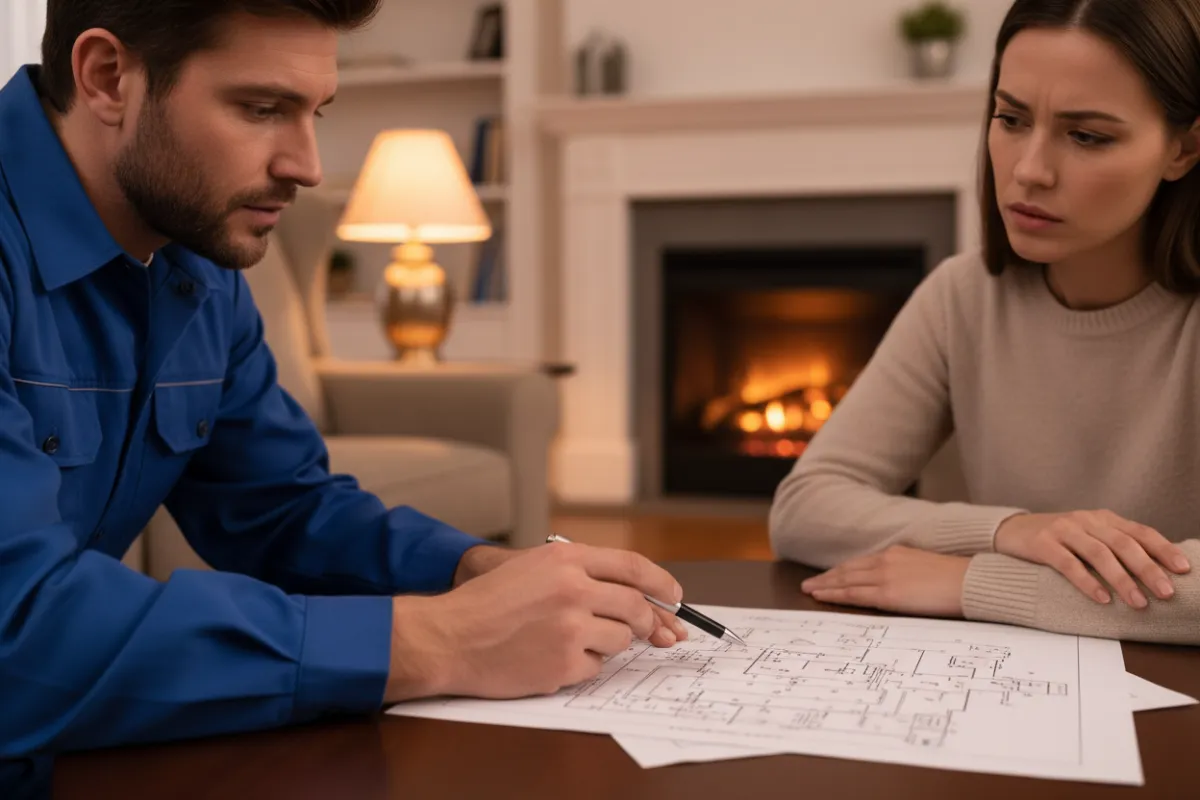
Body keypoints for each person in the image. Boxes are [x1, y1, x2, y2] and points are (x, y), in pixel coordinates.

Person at [0, 0, 689, 760]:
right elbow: (15, 627)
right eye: (262, 108)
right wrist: (435, 641)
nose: (308, 165)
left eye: (316, 113)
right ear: (107, 76)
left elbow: (281, 509)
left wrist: (474, 570)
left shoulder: (195, 262)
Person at [769, 0, 1200, 646]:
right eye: (1011, 118)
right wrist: (1009, 530)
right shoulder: (962, 297)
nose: (1029, 170)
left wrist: (971, 583)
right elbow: (805, 509)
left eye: (1087, 136)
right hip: (1015, 690)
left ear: (1184, 148)